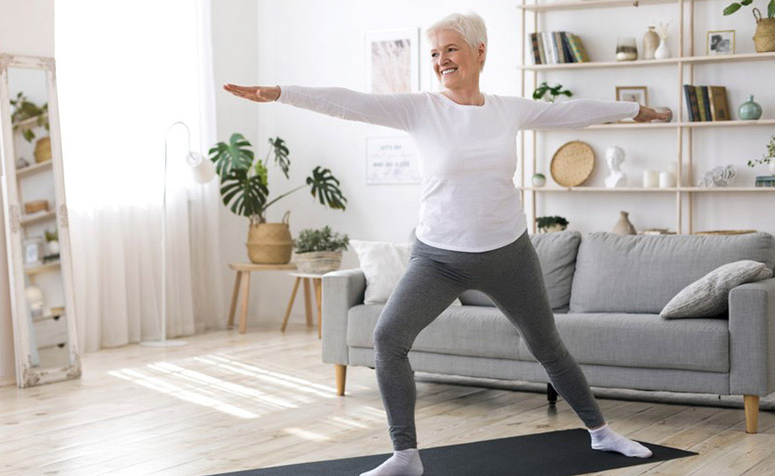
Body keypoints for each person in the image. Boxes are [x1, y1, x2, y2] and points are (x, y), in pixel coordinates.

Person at [224, 11, 669, 476]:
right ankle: (405, 456)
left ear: (479, 52)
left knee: (547, 346)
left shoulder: (507, 109)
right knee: (388, 338)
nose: (441, 60)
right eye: (434, 53)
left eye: (451, 49)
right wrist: (280, 93)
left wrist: (637, 110)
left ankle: (601, 433)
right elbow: (350, 103)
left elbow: (571, 111)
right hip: (439, 259)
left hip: (509, 255)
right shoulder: (420, 109)